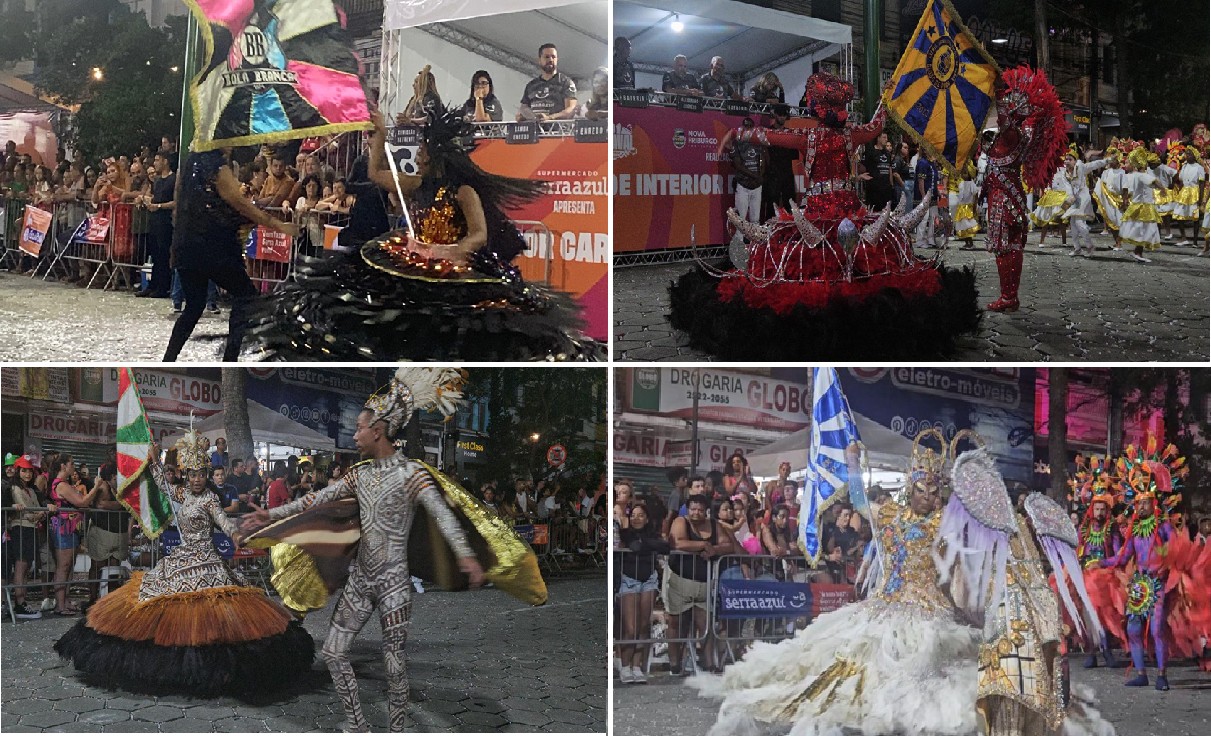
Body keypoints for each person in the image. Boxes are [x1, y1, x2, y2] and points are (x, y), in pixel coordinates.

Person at [241, 368, 545, 732]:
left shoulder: (412, 475)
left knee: (394, 662)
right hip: (360, 580)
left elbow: (444, 516)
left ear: (379, 430)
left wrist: (465, 556)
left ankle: (397, 729)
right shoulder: (359, 474)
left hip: (394, 585)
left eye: (359, 428)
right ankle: (357, 725)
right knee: (334, 653)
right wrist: (270, 515)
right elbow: (315, 500)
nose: (354, 435)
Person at [671, 72, 980, 360]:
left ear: (817, 107)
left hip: (819, 210)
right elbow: (876, 126)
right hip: (847, 208)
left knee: (807, 255)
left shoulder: (810, 137)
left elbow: (767, 136)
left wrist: (737, 132)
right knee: (863, 253)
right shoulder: (851, 135)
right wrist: (885, 101)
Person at [250, 107, 600, 360]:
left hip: (455, 268)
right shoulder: (417, 183)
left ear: (436, 156)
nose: (417, 154)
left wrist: (448, 252)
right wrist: (381, 134)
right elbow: (375, 173)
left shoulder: (463, 191)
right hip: (417, 260)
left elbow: (477, 236)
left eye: (423, 151)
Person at [54, 430, 314, 694]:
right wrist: (154, 459)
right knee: (155, 597)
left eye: (202, 474)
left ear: (208, 475)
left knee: (212, 612)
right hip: (181, 556)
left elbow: (223, 522)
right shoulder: (183, 495)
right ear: (186, 475)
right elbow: (159, 482)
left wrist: (236, 534)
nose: (197, 479)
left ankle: (213, 667)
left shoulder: (210, 499)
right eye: (192, 474)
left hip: (206, 557)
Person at [163, 147, 299, 362]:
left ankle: (168, 359)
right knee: (246, 296)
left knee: (194, 305)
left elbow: (186, 202)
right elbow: (238, 203)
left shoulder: (191, 163)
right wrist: (277, 225)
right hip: (211, 246)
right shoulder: (215, 165)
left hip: (187, 244)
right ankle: (230, 359)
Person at [979, 66, 1068, 312]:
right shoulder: (1017, 136)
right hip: (1013, 195)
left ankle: (1007, 296)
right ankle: (1010, 296)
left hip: (1003, 197)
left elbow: (1003, 120)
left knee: (1003, 247)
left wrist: (997, 92)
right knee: (1014, 246)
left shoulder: (1011, 135)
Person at [667, 494, 732, 675]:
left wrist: (714, 549)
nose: (696, 513)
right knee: (677, 623)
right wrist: (703, 544)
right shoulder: (681, 522)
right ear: (688, 509)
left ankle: (708, 662)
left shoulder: (713, 524)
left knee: (705, 625)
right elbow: (678, 543)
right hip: (681, 582)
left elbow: (728, 545)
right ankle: (674, 662)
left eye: (700, 510)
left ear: (706, 511)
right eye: (693, 509)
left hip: (704, 583)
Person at [1068, 462, 1123, 669]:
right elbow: (1078, 549)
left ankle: (1106, 651)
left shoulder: (1112, 529)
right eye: (1096, 508)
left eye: (1102, 508)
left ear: (1107, 510)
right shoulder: (1084, 529)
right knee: (1086, 614)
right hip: (1085, 576)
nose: (1099, 512)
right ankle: (1090, 652)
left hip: (1105, 577)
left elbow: (1118, 556)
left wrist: (1102, 562)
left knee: (1105, 615)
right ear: (1092, 509)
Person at [615, 502, 668, 684]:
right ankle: (625, 665)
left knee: (644, 626)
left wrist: (645, 543)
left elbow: (665, 546)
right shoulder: (625, 532)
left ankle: (637, 666)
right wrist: (649, 545)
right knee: (630, 628)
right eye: (633, 515)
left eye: (640, 515)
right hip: (629, 580)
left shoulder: (652, 534)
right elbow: (636, 547)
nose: (636, 518)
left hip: (649, 580)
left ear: (646, 518)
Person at [82, 463, 130, 610]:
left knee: (115, 566)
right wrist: (123, 504)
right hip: (102, 532)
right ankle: (93, 598)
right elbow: (101, 505)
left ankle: (111, 600)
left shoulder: (120, 488)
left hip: (118, 533)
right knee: (98, 565)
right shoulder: (103, 486)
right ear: (113, 476)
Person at [7, 456, 49, 619]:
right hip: (20, 528)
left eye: (29, 471)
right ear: (18, 471)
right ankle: (19, 604)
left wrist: (37, 514)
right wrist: (37, 514)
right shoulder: (13, 489)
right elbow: (31, 513)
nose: (27, 474)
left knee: (26, 567)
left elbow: (37, 511)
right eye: (23, 470)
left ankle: (21, 602)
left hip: (31, 529)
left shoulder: (31, 490)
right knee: (21, 566)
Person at [1059, 145, 1110, 257]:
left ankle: (1089, 246)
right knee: (1072, 223)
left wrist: (1107, 161)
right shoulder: (1064, 173)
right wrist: (1068, 201)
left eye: (1070, 159)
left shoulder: (1080, 167)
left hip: (1083, 196)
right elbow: (1068, 188)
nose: (1067, 161)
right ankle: (1077, 248)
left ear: (1075, 161)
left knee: (1079, 222)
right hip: (1074, 199)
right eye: (1066, 159)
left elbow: (1094, 164)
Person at [718, 118, 767, 228]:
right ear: (743, 128)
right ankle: (739, 244)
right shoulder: (737, 142)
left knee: (755, 220)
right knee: (741, 219)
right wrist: (756, 176)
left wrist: (761, 175)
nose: (748, 129)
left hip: (757, 185)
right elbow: (738, 165)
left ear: (753, 128)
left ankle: (755, 244)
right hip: (743, 185)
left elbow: (763, 160)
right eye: (746, 126)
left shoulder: (758, 142)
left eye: (750, 126)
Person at [1119, 148, 1164, 263]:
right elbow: (1155, 181)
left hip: (1138, 204)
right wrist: (1163, 189)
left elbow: (1127, 190)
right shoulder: (1141, 175)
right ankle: (1137, 252)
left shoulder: (1135, 175)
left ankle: (1138, 252)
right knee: (1146, 230)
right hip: (1144, 206)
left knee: (1141, 229)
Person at [517, 44, 578, 122]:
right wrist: (524, 116)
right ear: (539, 60)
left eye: (553, 57)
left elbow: (571, 110)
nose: (550, 60)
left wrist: (549, 118)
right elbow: (523, 107)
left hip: (557, 132)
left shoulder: (566, 83)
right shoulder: (531, 85)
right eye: (547, 57)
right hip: (535, 131)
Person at [760, 104, 797, 220]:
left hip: (787, 172)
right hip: (772, 172)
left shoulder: (790, 133)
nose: (782, 117)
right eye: (780, 114)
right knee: (771, 203)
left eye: (784, 115)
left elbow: (794, 154)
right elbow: (764, 152)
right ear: (775, 115)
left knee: (790, 203)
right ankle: (769, 232)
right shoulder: (769, 132)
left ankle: (790, 231)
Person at [1169, 146, 1206, 244]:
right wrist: (1179, 192)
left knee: (1195, 218)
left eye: (1190, 154)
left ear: (1194, 156)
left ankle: (1195, 241)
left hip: (1194, 193)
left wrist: (1201, 198)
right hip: (1184, 193)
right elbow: (1181, 181)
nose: (1187, 155)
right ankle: (1184, 238)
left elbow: (1202, 184)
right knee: (1179, 214)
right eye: (1187, 154)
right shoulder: (1184, 166)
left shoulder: (1199, 168)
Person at [1092, 148, 1126, 250]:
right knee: (1111, 223)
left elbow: (1125, 188)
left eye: (1113, 160)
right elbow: (1102, 185)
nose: (1110, 162)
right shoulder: (1106, 172)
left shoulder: (1122, 173)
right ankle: (1116, 242)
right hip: (1108, 200)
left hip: (1117, 200)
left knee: (1118, 223)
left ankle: (1119, 243)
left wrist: (1124, 201)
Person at [952, 161, 980, 249]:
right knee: (962, 226)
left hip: (968, 208)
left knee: (968, 226)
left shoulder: (971, 184)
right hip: (961, 208)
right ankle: (966, 242)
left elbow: (975, 195)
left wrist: (975, 206)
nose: (963, 175)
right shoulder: (961, 183)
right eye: (962, 173)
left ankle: (970, 242)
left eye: (965, 173)